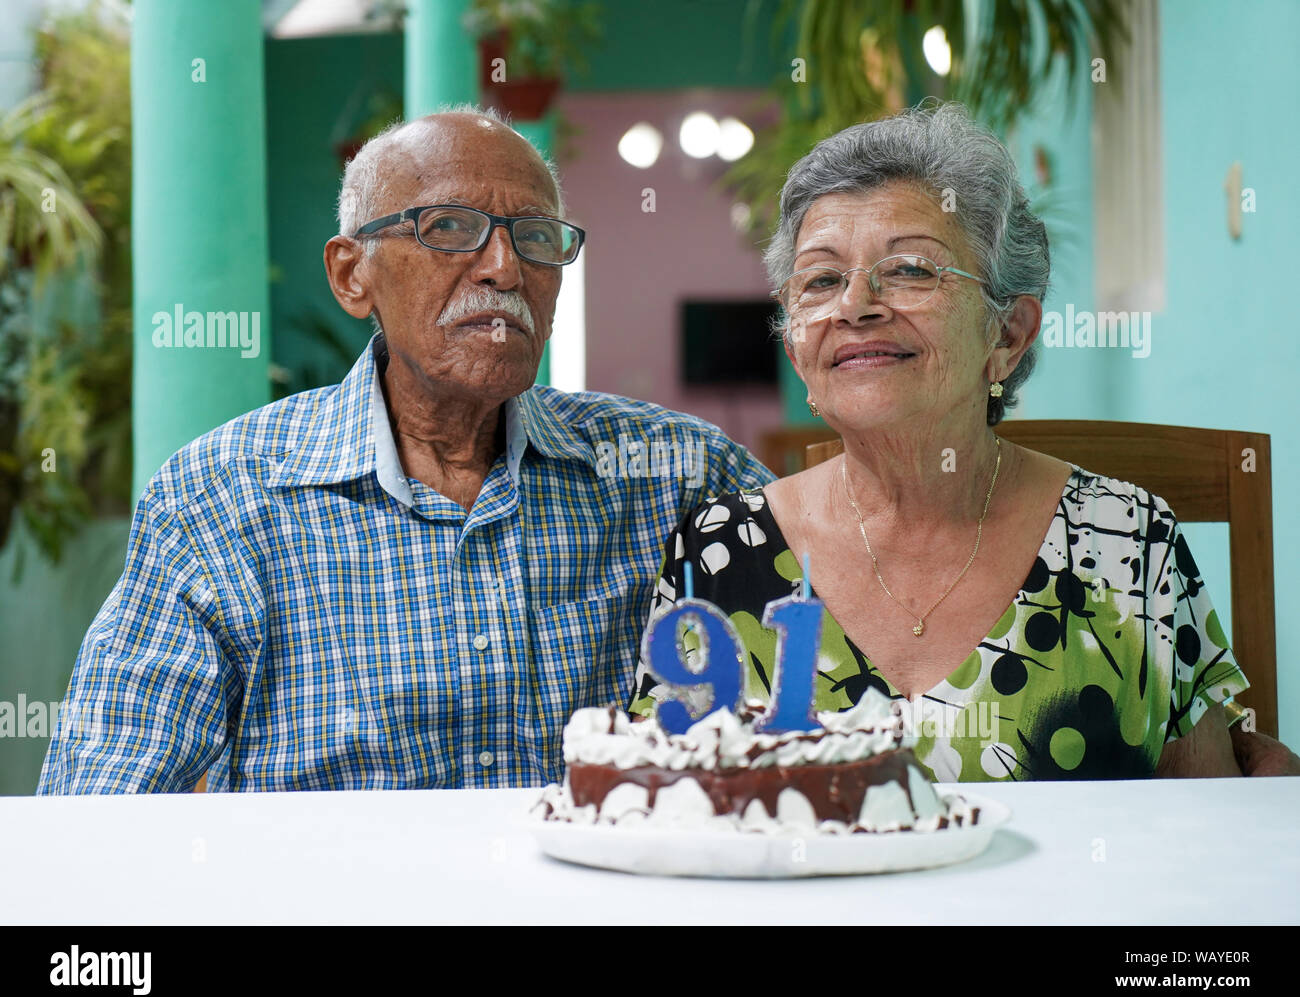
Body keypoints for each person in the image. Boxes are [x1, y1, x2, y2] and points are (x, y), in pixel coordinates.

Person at [37, 107, 773, 793]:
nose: (504, 269)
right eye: (450, 226)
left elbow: (843, 665)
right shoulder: (222, 497)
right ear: (351, 274)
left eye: (537, 237)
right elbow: (102, 805)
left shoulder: (674, 471)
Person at [631, 101, 1298, 780]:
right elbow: (662, 811)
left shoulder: (1130, 542)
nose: (856, 305)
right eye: (823, 279)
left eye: (913, 270)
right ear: (797, 348)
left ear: (1007, 335)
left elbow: (1209, 831)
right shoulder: (716, 549)